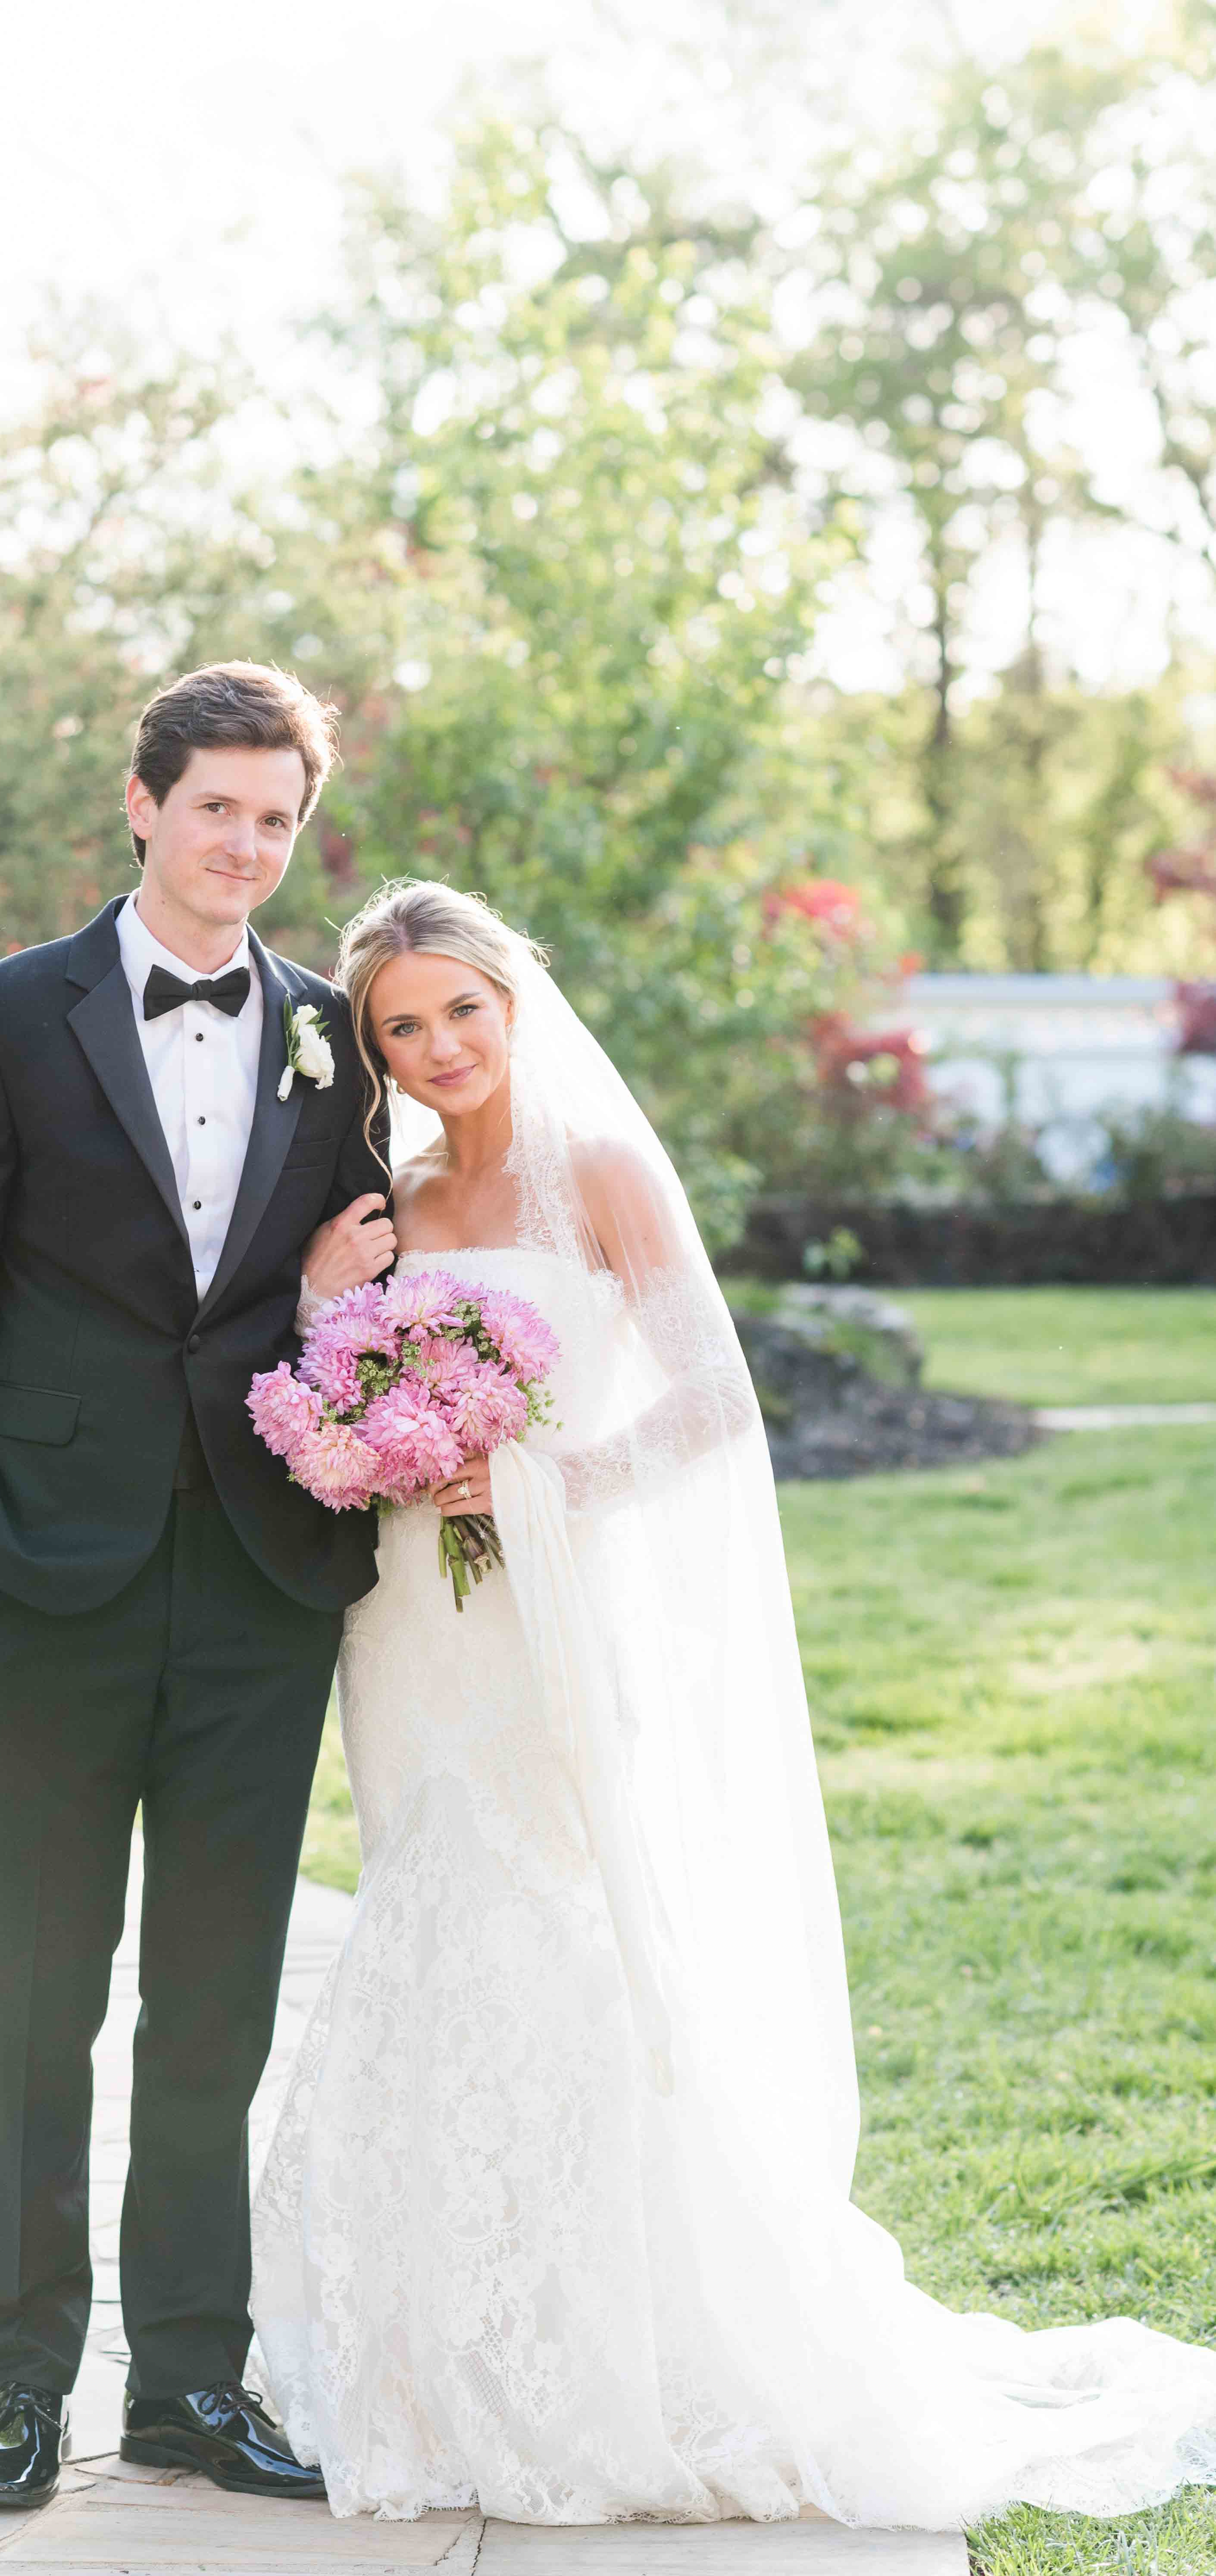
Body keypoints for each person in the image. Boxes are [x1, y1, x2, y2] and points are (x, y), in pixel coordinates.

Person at [250, 876, 1216, 2532]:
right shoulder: (390, 1197)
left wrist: (538, 1474)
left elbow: (708, 1396)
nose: (437, 1047)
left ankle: (627, 2346)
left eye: (459, 1010)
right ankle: (435, 2342)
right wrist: (327, 1312)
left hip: (555, 1603)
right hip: (415, 1622)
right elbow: (339, 1399)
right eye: (401, 1028)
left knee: (564, 1916)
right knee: (429, 1896)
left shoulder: (604, 1170)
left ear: (515, 996)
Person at [0, 663, 394, 2509]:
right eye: (216, 812)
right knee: (39, 2002)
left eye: (277, 818)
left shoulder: (341, 1033)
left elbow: (354, 1299)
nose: (246, 849)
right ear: (142, 805)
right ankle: (16, 2381)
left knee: (212, 2007)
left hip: (261, 1579)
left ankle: (186, 2384)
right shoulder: (2, 1018)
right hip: (43, 1579)